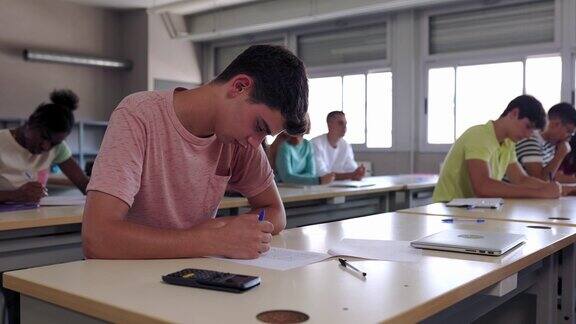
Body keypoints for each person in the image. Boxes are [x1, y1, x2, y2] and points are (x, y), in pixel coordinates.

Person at [82, 45, 308, 260]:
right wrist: (211, 240)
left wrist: (230, 233)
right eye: (259, 127)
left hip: (194, 274)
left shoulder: (239, 139)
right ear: (239, 86)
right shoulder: (138, 115)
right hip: (125, 281)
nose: (254, 142)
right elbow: (98, 237)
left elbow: (276, 212)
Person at [433, 95, 562, 203]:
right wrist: (539, 192)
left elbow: (520, 179)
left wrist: (549, 188)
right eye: (528, 127)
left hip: (473, 208)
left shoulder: (508, 142)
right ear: (513, 113)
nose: (528, 135)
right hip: (447, 208)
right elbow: (483, 187)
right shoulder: (480, 135)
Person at [0, 90, 89, 203]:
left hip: (35, 217)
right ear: (31, 122)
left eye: (54, 143)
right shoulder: (2, 142)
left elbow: (84, 184)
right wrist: (15, 195)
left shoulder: (58, 148)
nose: (46, 147)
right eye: (44, 136)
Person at [516, 103, 576, 183]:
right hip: (512, 194)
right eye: (568, 131)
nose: (569, 137)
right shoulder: (531, 140)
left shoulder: (550, 144)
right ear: (556, 124)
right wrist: (560, 155)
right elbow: (540, 181)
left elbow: (550, 179)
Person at [275, 120, 335, 185]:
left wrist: (296, 178)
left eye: (301, 134)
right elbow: (286, 178)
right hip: (283, 188)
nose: (297, 137)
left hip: (300, 187)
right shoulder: (284, 147)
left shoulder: (307, 145)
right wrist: (319, 181)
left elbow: (312, 173)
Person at [311, 111, 365, 181]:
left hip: (339, 187)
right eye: (340, 123)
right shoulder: (315, 144)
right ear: (329, 125)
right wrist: (352, 175)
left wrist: (358, 174)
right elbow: (322, 175)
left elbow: (352, 169)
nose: (345, 127)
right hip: (317, 189)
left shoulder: (346, 145)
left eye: (345, 124)